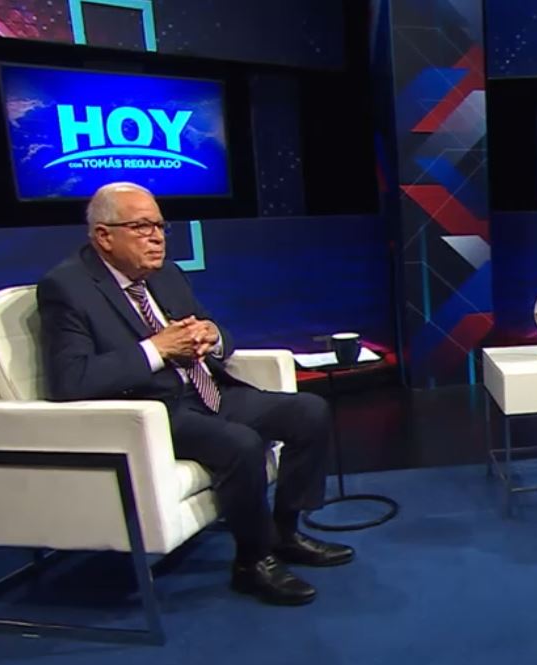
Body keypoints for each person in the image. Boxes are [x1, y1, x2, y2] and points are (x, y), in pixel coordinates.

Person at [36, 182, 353, 607]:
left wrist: (212, 336)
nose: (156, 237)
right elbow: (70, 381)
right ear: (104, 236)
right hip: (151, 410)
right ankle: (253, 562)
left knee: (308, 411)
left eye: (160, 226)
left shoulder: (166, 274)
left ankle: (286, 533)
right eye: (141, 227)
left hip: (207, 391)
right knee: (241, 443)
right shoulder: (67, 287)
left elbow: (215, 332)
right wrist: (156, 349)